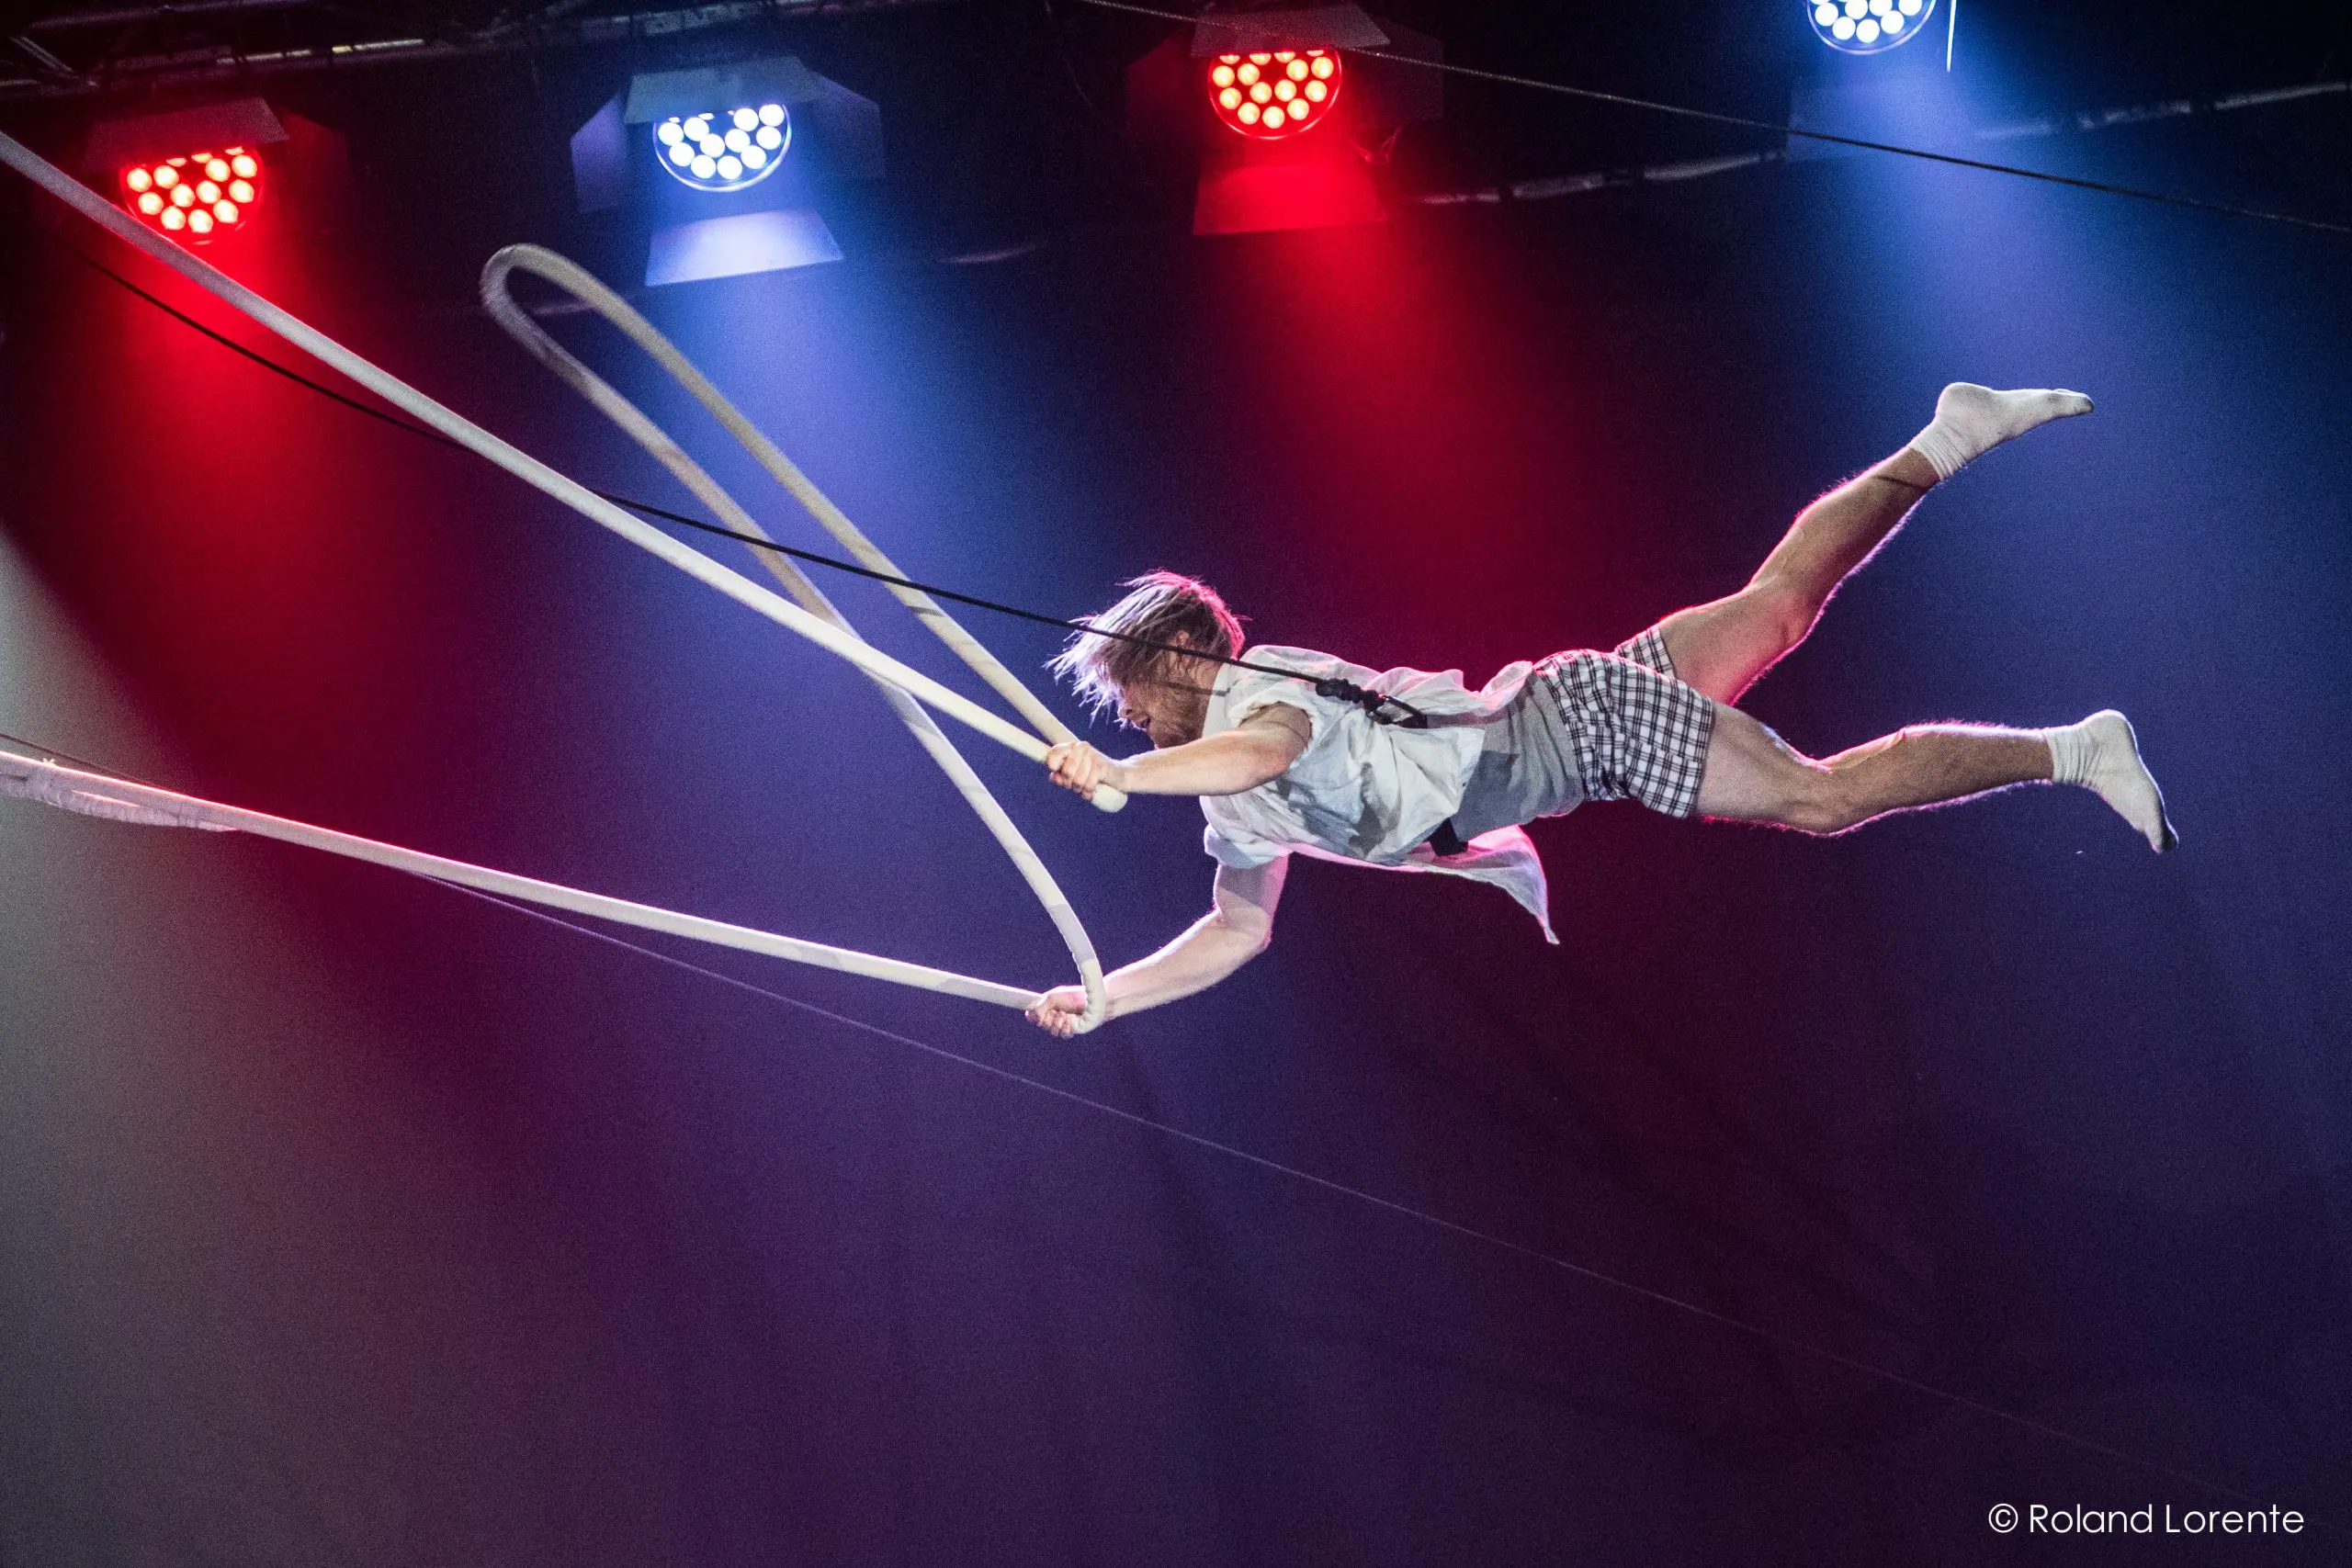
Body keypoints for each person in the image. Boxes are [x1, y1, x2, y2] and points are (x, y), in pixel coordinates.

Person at [1024, 384, 2175, 1037]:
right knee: (1778, 609)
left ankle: (2070, 750)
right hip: (1573, 708)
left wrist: (1127, 779)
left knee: (1817, 802)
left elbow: (1257, 750)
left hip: (1583, 727)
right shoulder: (1232, 807)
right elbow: (1237, 927)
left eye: (1124, 693)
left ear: (1174, 659)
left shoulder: (1258, 691)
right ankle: (1950, 434)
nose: (1123, 717)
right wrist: (1106, 997)